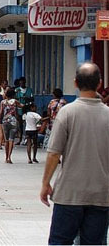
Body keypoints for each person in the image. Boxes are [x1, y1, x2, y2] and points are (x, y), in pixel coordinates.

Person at [41, 62, 109, 245]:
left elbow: (54, 154)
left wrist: (46, 183)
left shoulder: (67, 113)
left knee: (60, 241)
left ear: (75, 83)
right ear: (99, 83)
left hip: (69, 194)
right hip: (100, 195)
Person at [0, 89, 23, 164]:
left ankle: (6, 157)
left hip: (5, 121)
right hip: (13, 121)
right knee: (12, 139)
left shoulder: (3, 102)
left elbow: (0, 112)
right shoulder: (15, 101)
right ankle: (9, 157)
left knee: (6, 140)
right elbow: (21, 106)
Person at [15, 77, 34, 145]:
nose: (22, 84)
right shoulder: (17, 90)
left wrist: (27, 98)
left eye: (23, 82)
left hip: (27, 109)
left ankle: (27, 139)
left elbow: (32, 99)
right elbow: (15, 100)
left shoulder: (29, 90)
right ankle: (20, 139)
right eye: (20, 83)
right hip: (19, 110)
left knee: (28, 124)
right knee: (20, 125)